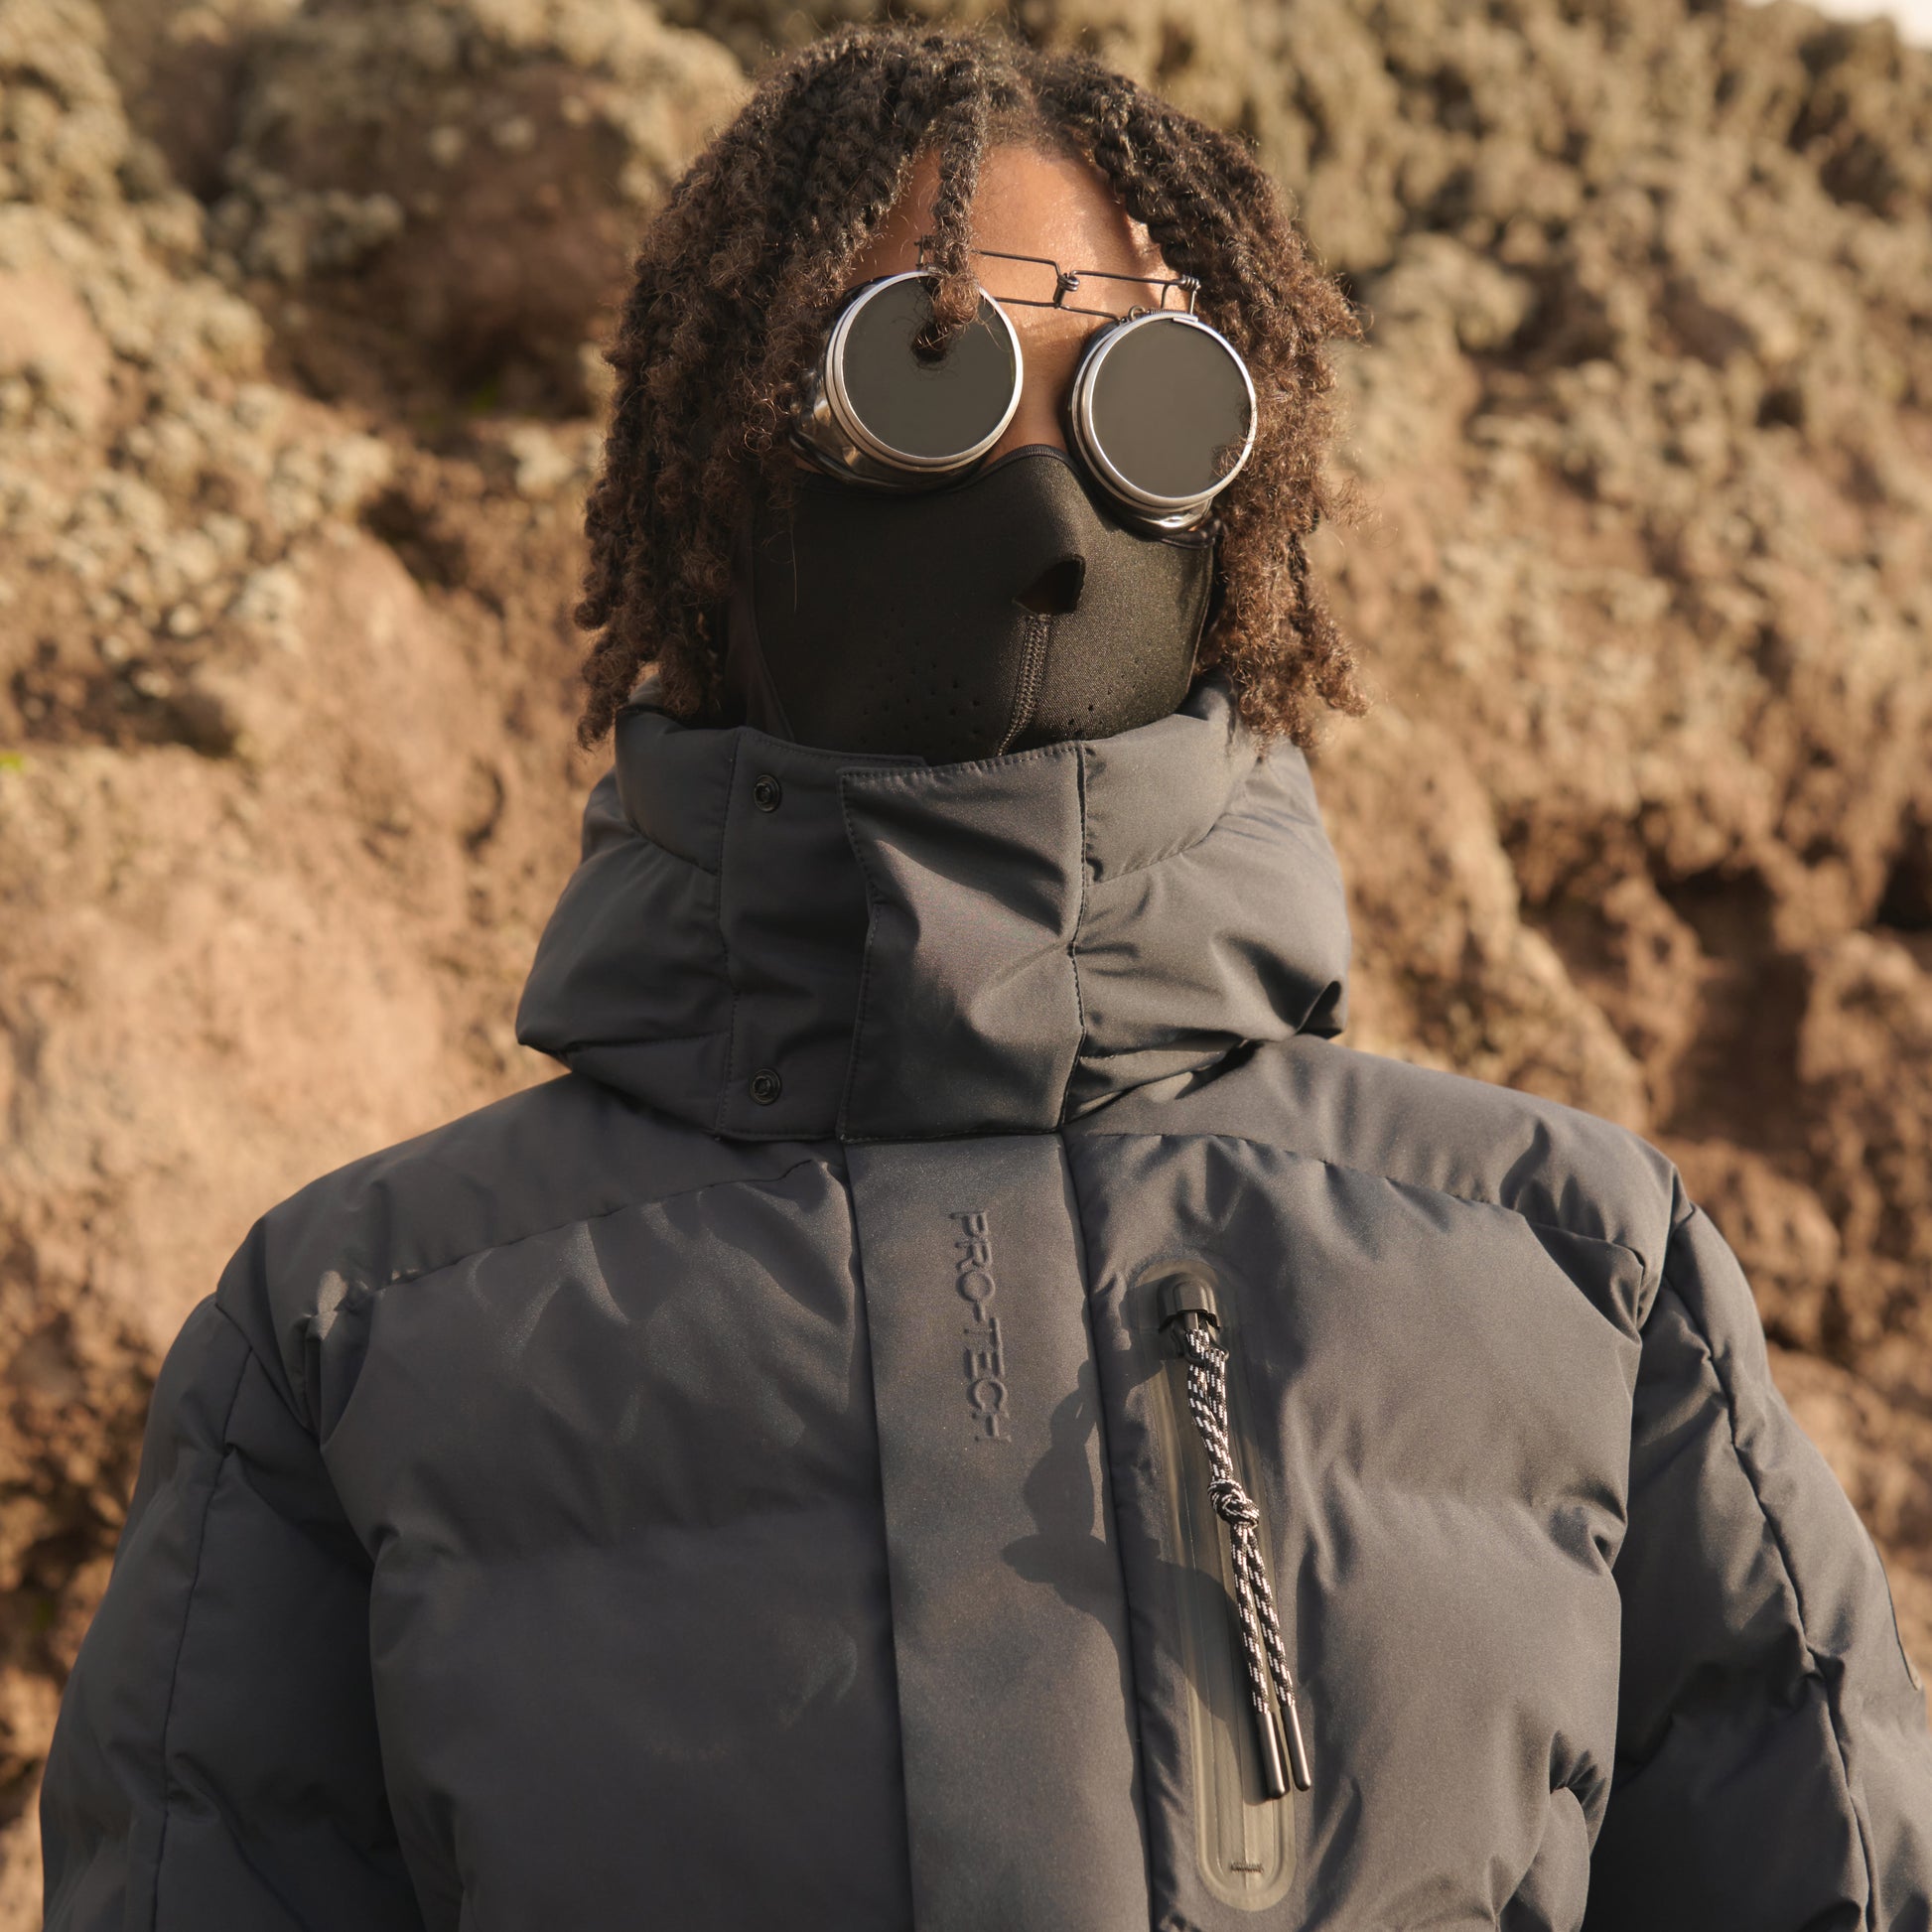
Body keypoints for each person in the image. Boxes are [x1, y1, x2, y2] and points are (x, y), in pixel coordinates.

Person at [39, 24, 1932, 1932]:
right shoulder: (358, 1333)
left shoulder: (1578, 1273)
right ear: (720, 473)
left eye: (1140, 409)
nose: (1042, 516)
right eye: (925, 376)